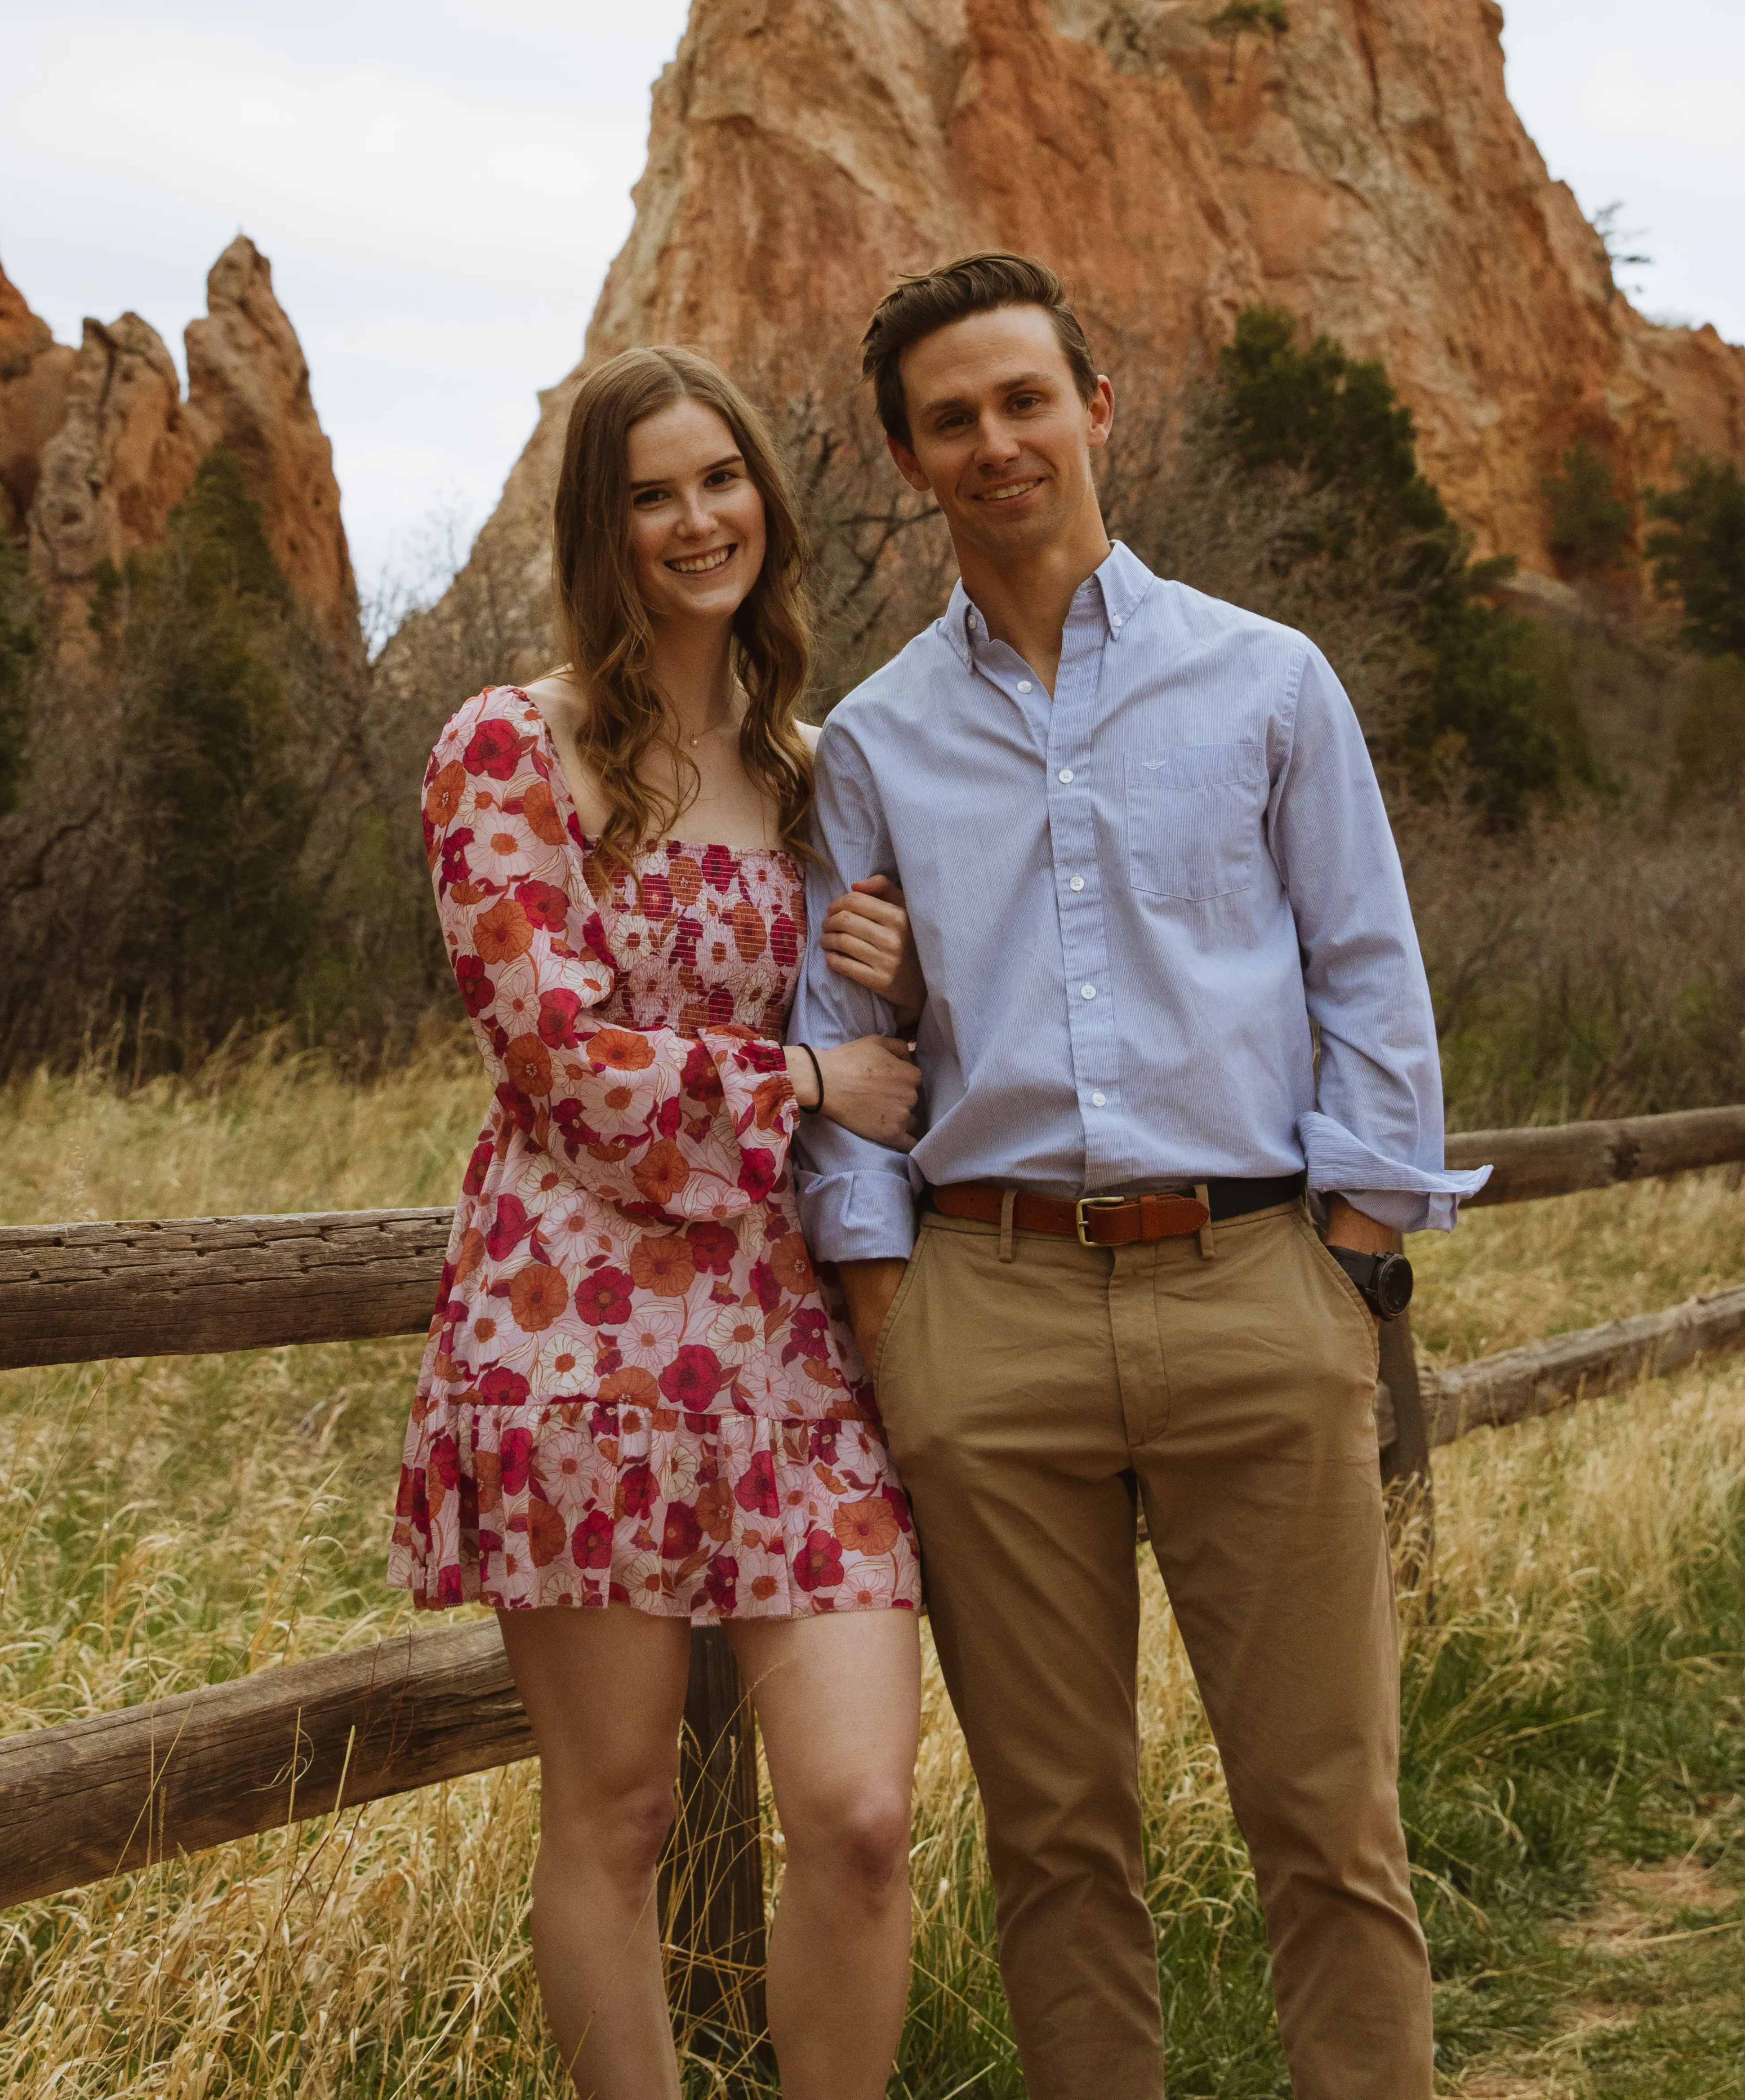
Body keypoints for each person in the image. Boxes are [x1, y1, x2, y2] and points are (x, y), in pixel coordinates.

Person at [790, 253, 1491, 2100]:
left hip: (1255, 1289)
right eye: (952, 419)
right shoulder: (868, 742)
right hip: (987, 1315)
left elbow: (1366, 972)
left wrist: (1349, 1255)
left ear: (1096, 411)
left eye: (1024, 399)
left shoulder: (1264, 681)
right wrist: (886, 1298)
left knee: (1327, 1825)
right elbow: (840, 1055)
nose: (996, 440)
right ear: (908, 459)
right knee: (1054, 1843)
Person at [390, 345, 928, 2100]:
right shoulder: (509, 746)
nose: (697, 518)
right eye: (651, 491)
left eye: (722, 479)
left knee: (856, 1813)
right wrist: (799, 1088)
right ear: (598, 527)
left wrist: (891, 987)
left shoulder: (802, 764)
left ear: (764, 501)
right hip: (575, 1328)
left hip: (781, 1339)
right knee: (614, 1813)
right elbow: (554, 1058)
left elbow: (880, 1044)